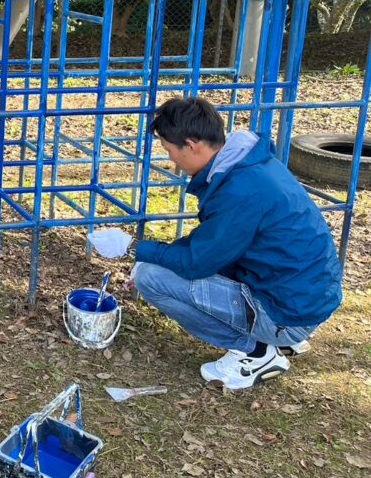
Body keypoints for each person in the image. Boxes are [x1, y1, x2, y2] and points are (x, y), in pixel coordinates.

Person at [128, 97, 343, 390]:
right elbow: (213, 243)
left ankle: (255, 352)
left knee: (149, 277)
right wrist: (154, 252)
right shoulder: (249, 165)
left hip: (287, 311)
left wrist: (135, 249)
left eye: (169, 150)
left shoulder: (240, 190)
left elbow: (196, 262)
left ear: (191, 145)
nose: (171, 160)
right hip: (305, 296)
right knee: (158, 265)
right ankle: (283, 338)